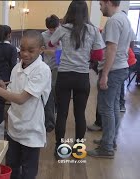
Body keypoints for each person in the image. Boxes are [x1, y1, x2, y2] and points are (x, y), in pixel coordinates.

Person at [0, 30, 51, 179]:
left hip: (31, 129)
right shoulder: (16, 68)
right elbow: (11, 97)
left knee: (28, 172)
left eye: (31, 50)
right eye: (22, 49)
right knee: (12, 166)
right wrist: (2, 88)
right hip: (14, 128)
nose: (25, 54)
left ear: (41, 49)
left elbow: (21, 99)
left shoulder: (42, 70)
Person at [49, 0, 105, 158]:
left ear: (70, 11)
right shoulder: (93, 30)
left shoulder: (62, 29)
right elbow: (99, 55)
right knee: (80, 114)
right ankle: (78, 150)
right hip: (82, 77)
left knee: (62, 113)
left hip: (64, 76)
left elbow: (50, 43)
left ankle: (59, 149)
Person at [88, 0, 134, 159]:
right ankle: (110, 141)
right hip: (121, 68)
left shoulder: (114, 21)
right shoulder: (124, 18)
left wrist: (105, 74)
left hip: (113, 70)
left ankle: (106, 148)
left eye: (101, 4)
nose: (100, 7)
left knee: (106, 108)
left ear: (108, 2)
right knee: (113, 107)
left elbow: (112, 48)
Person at [0, 25, 18, 127]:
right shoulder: (12, 48)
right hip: (8, 80)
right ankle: (6, 126)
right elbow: (13, 66)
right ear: (9, 35)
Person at [41, 14, 61, 132]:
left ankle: (54, 113)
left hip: (59, 67)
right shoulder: (44, 35)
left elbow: (62, 54)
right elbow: (42, 50)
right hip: (47, 66)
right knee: (49, 91)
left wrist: (50, 52)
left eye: (54, 28)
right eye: (50, 28)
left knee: (55, 90)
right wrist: (51, 52)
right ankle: (49, 118)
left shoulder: (62, 33)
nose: (52, 31)